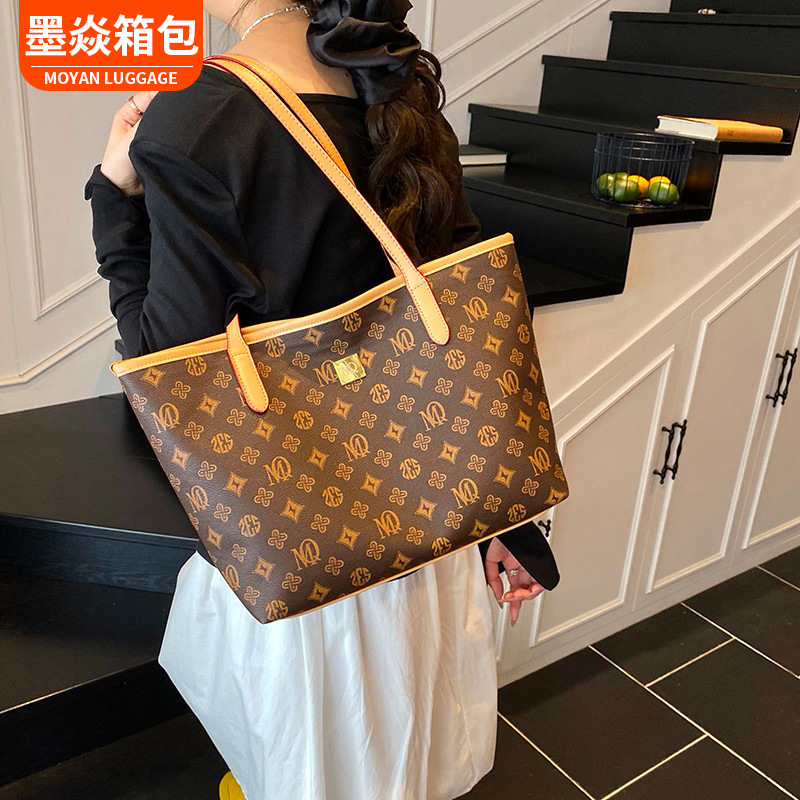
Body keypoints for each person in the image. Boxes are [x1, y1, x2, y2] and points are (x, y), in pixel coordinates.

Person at [84, 2, 561, 797]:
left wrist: (112, 196)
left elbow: (167, 363)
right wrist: (509, 520)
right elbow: (473, 334)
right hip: (433, 523)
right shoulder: (390, 78)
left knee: (323, 769)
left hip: (307, 553)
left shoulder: (198, 114)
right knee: (413, 760)